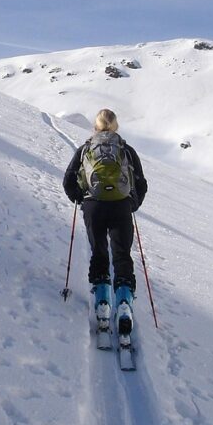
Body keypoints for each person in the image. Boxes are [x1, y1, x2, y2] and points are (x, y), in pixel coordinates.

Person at [62, 109, 147, 336]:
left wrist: (80, 198)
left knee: (99, 253)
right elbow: (140, 183)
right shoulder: (126, 150)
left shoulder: (86, 149)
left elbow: (68, 180)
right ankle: (124, 304)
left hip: (94, 206)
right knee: (122, 255)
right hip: (121, 206)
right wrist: (132, 204)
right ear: (115, 126)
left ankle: (102, 304)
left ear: (95, 126)